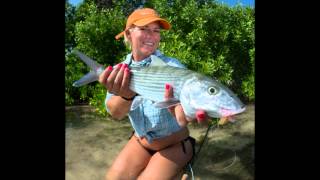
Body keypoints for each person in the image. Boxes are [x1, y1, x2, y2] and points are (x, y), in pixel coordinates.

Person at [98, 8, 208, 180]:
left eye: (156, 31)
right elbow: (115, 113)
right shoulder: (120, 70)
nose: (151, 35)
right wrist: (127, 95)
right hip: (140, 142)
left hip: (175, 144)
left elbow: (188, 97)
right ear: (128, 34)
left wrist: (190, 111)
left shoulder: (172, 66)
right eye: (144, 29)